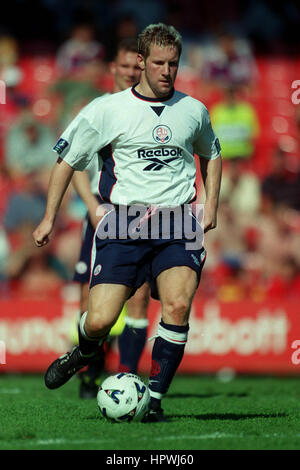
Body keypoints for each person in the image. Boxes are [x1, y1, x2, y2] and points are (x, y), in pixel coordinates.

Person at [33, 23, 222, 422]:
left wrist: (211, 204)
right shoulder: (107, 109)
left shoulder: (193, 110)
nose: (167, 71)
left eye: (173, 63)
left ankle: (153, 401)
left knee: (177, 303)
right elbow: (66, 160)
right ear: (141, 61)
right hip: (125, 223)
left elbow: (213, 152)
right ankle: (84, 350)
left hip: (177, 223)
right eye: (158, 63)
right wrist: (49, 217)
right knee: (100, 319)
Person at [71, 37, 150, 398]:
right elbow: (72, 160)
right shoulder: (100, 109)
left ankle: (128, 375)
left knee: (138, 295)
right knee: (91, 302)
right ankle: (91, 369)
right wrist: (90, 206)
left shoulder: (153, 108)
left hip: (145, 217)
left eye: (138, 66)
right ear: (113, 69)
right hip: (103, 214)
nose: (132, 71)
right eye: (126, 66)